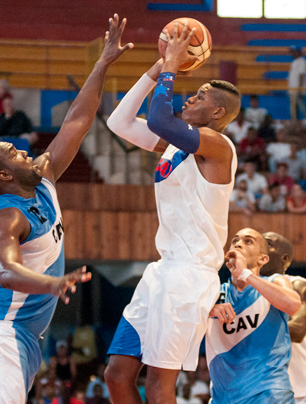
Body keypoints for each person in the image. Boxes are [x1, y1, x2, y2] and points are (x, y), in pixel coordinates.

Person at [0, 15, 132, 403]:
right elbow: (6, 271)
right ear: (4, 173)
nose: (24, 149)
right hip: (0, 330)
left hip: (23, 336)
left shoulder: (44, 177)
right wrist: (52, 284)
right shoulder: (7, 215)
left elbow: (78, 122)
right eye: (13, 152)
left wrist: (102, 64)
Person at [105, 22, 240, 404]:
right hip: (162, 270)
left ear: (216, 112)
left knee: (158, 385)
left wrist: (172, 66)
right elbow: (119, 122)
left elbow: (162, 119)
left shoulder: (217, 146)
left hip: (190, 276)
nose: (189, 97)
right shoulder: (172, 144)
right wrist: (158, 66)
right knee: (116, 375)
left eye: (198, 96)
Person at [206, 228, 301, 403]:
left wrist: (246, 274)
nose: (239, 244)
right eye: (235, 241)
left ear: (263, 259)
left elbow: (293, 305)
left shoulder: (275, 281)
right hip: (222, 397)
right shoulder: (213, 292)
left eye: (248, 241)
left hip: (269, 392)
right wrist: (209, 310)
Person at [261, 232, 306, 404]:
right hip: (268, 393)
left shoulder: (299, 285)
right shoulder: (246, 292)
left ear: (284, 258)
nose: (260, 247)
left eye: (268, 244)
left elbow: (298, 331)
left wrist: (247, 328)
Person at [288, 45, 306, 120]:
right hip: (292, 90)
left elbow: (301, 76)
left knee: (302, 108)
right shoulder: (294, 62)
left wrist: (300, 90)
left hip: (297, 90)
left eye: (294, 52)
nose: (292, 53)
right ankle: (295, 123)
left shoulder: (302, 61)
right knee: (293, 110)